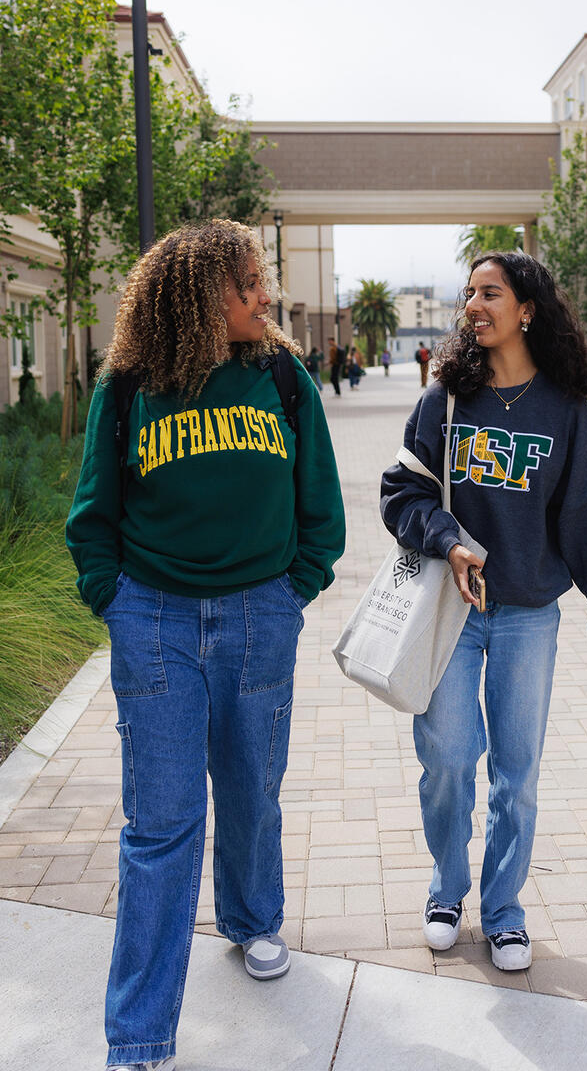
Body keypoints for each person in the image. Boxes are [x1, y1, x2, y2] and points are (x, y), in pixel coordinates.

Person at [66, 219, 346, 1071]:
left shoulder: (282, 378)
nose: (265, 294)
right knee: (162, 820)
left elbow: (320, 500)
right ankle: (139, 1038)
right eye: (248, 281)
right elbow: (93, 514)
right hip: (154, 618)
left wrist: (296, 587)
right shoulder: (131, 386)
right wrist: (112, 598)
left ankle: (254, 917)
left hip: (260, 612)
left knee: (253, 787)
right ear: (197, 295)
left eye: (263, 278)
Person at [380, 251, 587, 973]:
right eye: (469, 295)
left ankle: (504, 911)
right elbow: (402, 494)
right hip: (450, 617)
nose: (473, 307)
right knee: (449, 759)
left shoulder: (563, 410)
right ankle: (445, 887)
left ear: (527, 309)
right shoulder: (446, 401)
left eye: (490, 293)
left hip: (527, 616)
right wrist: (449, 541)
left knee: (516, 775)